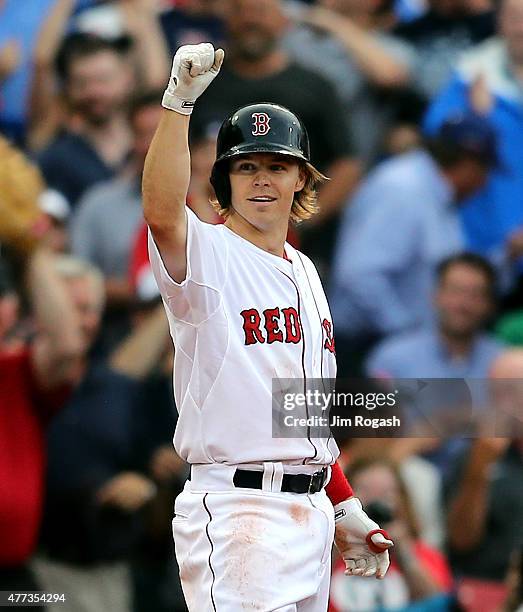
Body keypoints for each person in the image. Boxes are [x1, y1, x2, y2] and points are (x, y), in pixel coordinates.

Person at [143, 42, 393, 611]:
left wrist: (344, 505)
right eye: (246, 166)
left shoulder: (305, 269)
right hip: (237, 513)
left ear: (302, 179)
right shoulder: (207, 253)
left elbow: (302, 414)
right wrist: (177, 105)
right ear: (223, 181)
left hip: (306, 517)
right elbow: (160, 211)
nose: (261, 180)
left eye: (276, 166)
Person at [329, 113, 498, 376]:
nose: (485, 183)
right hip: (363, 346)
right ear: (469, 166)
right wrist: (407, 334)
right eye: (485, 171)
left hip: (395, 345)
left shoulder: (435, 193)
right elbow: (359, 274)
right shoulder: (402, 189)